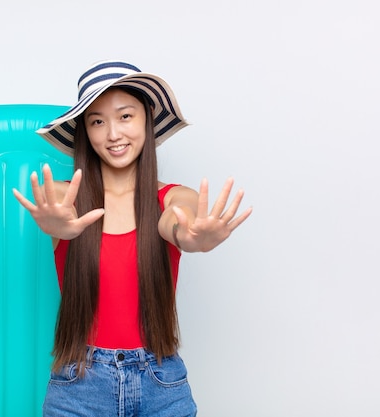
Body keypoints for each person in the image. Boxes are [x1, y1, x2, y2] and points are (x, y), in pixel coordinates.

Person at [13, 60, 252, 416]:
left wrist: (192, 235)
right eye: (97, 121)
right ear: (85, 133)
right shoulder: (64, 198)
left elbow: (177, 222)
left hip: (161, 384)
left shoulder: (171, 197)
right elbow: (63, 222)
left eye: (125, 116)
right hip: (79, 384)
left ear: (146, 120)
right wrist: (58, 228)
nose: (113, 134)